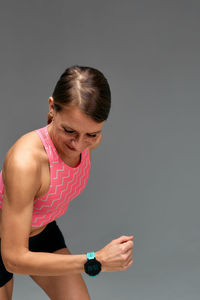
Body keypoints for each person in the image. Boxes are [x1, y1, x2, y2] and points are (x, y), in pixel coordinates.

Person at [0, 65, 134, 300]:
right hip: (7, 240)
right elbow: (13, 259)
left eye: (91, 134)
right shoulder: (26, 162)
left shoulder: (85, 139)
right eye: (69, 130)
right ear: (52, 108)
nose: (78, 144)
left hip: (41, 231)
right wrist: (95, 261)